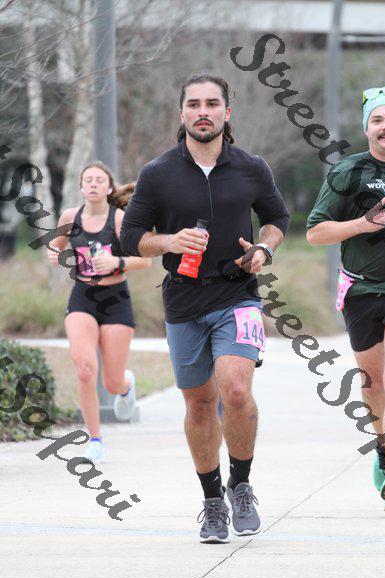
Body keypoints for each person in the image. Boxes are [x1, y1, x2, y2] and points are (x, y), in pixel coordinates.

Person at [120, 73, 289, 542]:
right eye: (193, 104)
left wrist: (265, 248)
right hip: (183, 299)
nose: (203, 112)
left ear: (226, 112)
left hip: (238, 294)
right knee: (198, 403)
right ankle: (213, 501)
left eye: (212, 104)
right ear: (182, 113)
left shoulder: (252, 167)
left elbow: (277, 217)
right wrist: (169, 241)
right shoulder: (157, 173)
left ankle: (242, 485)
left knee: (235, 388)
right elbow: (130, 236)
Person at [307, 85, 385, 511]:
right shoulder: (348, 171)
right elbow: (315, 232)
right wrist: (362, 224)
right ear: (367, 129)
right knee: (373, 383)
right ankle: (384, 449)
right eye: (378, 120)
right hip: (361, 291)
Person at [47, 161, 151, 464]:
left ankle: (126, 386)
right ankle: (94, 441)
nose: (93, 184)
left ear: (108, 188)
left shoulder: (120, 219)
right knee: (84, 369)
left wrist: (116, 263)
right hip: (83, 298)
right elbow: (54, 246)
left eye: (99, 180)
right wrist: (56, 255)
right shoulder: (70, 217)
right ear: (81, 187)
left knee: (111, 383)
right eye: (88, 179)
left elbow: (145, 260)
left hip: (116, 300)